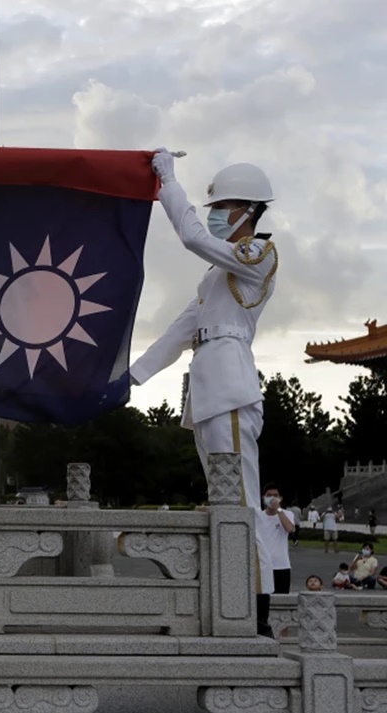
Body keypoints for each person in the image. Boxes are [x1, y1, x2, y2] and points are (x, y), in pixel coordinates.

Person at [131, 153, 278, 636]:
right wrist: (131, 379)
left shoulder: (258, 254)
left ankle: (255, 612)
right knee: (225, 501)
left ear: (250, 212)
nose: (216, 214)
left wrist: (168, 185)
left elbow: (193, 236)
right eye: (215, 206)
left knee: (241, 502)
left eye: (225, 206)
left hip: (230, 384)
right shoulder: (216, 275)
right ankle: (233, 598)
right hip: (210, 384)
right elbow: (181, 330)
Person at [255, 484, 295, 600]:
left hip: (281, 565)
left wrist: (278, 509)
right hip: (263, 566)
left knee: (281, 600)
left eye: (275, 495)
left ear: (280, 498)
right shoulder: (259, 516)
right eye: (269, 495)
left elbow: (290, 529)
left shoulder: (287, 514)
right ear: (263, 498)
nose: (272, 498)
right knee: (263, 600)